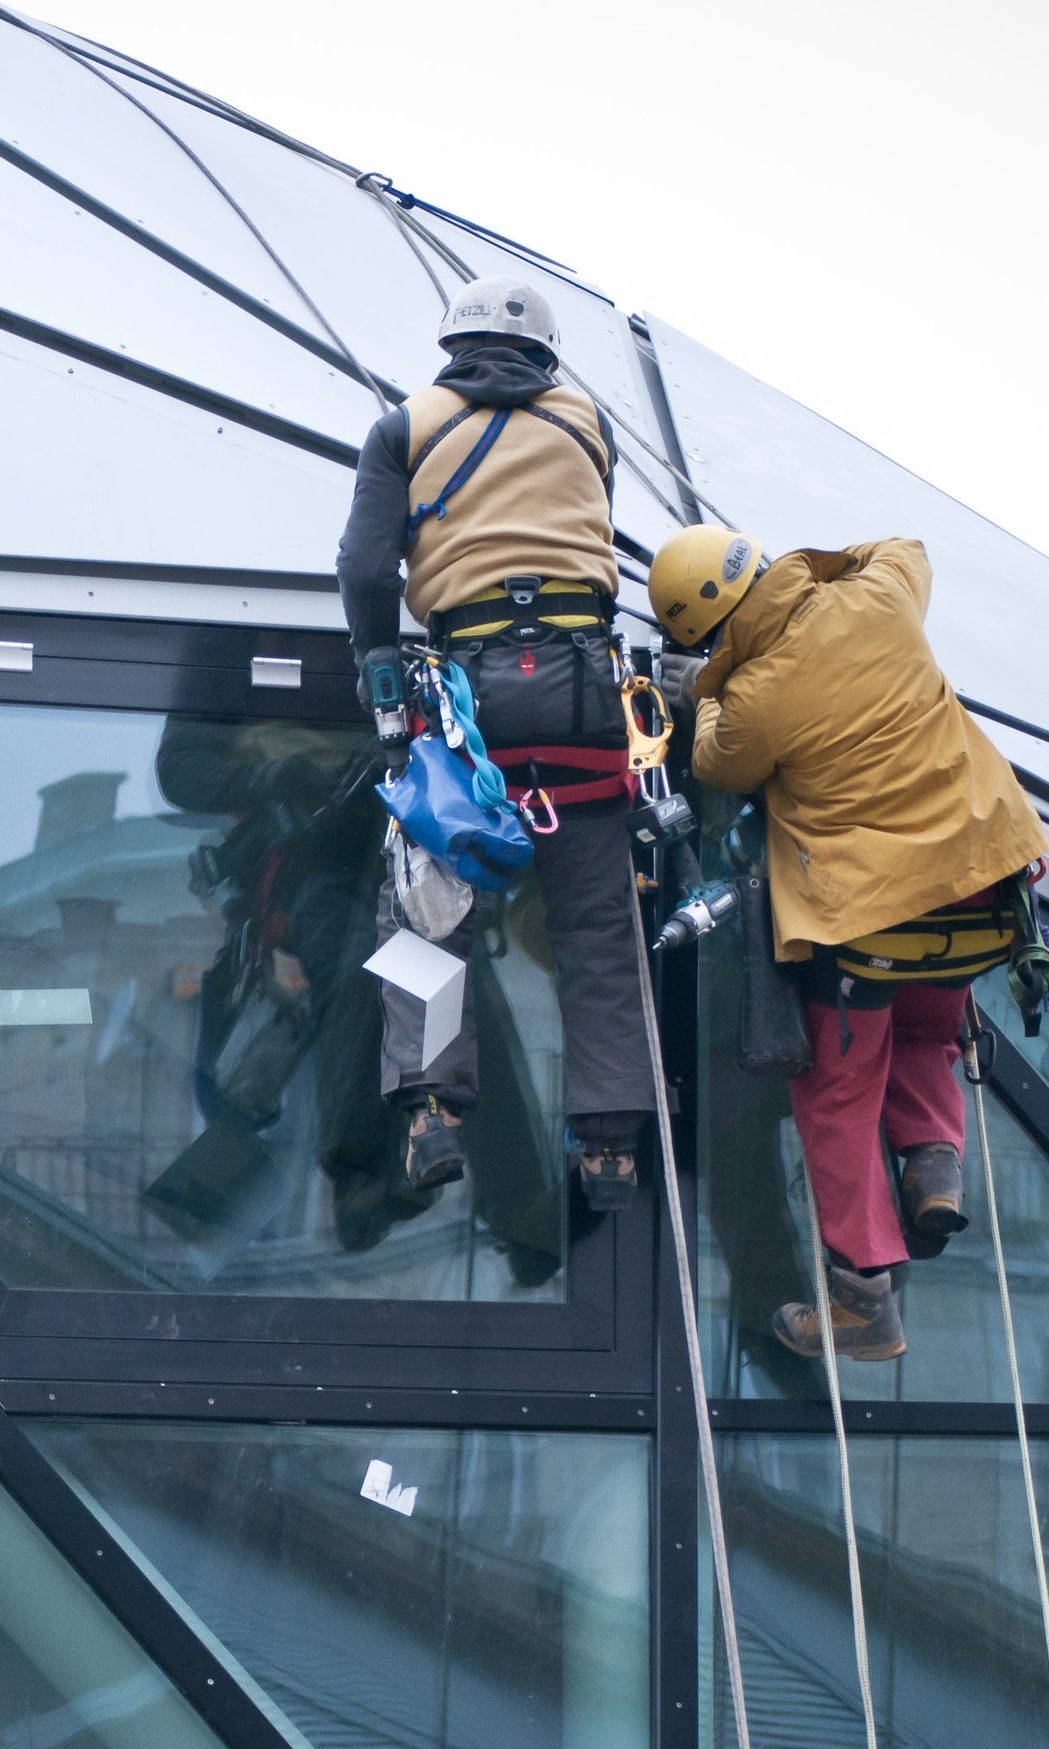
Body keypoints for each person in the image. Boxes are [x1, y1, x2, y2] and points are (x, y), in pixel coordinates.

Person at [657, 526, 1049, 1359]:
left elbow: (718, 761)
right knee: (930, 1029)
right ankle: (933, 1167)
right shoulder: (881, 598)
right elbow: (908, 544)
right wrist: (810, 573)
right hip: (979, 885)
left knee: (836, 1094)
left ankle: (863, 1301)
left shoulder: (755, 699)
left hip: (870, 921)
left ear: (710, 634)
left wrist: (709, 686)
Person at [336, 276, 653, 1212]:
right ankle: (608, 1148)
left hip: (469, 708)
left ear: (450, 346)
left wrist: (379, 668)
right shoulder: (588, 425)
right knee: (596, 927)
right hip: (584, 701)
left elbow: (362, 565)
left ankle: (433, 1109)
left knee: (427, 911)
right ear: (546, 355)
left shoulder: (406, 426)